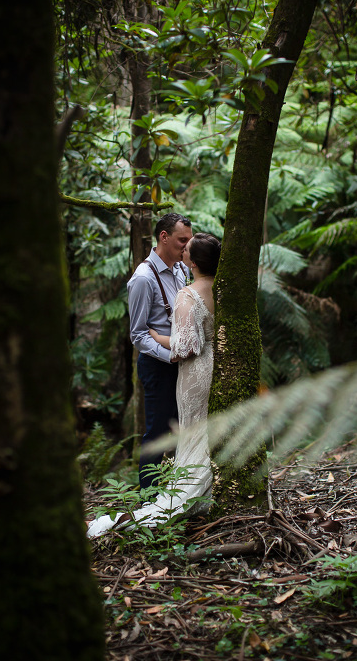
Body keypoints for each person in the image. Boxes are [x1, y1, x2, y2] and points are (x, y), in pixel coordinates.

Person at [87, 232, 221, 538]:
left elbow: (185, 348)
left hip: (194, 373)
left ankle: (186, 494)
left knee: (192, 428)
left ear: (194, 262)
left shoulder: (188, 294)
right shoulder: (222, 288)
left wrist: (160, 338)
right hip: (215, 366)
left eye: (187, 248)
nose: (182, 251)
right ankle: (208, 488)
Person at [127, 212, 192, 490]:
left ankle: (174, 491)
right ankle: (148, 498)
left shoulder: (181, 269)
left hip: (182, 362)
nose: (186, 247)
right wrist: (170, 355)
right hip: (158, 365)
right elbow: (138, 334)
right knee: (157, 433)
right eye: (182, 241)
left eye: (189, 241)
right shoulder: (143, 278)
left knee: (182, 428)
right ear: (163, 237)